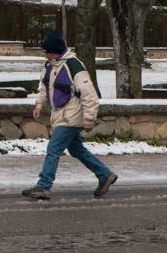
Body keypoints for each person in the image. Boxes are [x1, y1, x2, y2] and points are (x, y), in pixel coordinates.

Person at [22, 31, 117, 200]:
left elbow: (90, 95)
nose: (44, 55)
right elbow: (44, 87)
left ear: (55, 51)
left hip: (71, 117)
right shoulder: (50, 65)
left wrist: (89, 119)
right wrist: (39, 104)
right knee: (76, 149)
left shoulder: (74, 66)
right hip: (62, 116)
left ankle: (44, 186)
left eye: (47, 51)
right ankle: (105, 174)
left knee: (53, 148)